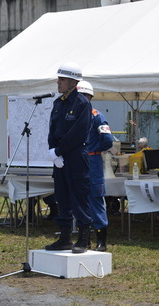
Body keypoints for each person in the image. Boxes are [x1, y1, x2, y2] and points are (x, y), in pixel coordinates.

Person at [45, 62, 93, 254]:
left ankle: (84, 239)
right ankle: (64, 238)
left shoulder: (82, 103)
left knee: (79, 196)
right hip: (60, 156)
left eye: (62, 79)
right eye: (58, 79)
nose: (58, 82)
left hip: (75, 155)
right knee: (62, 197)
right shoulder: (58, 103)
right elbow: (52, 131)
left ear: (73, 82)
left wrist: (59, 151)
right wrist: (53, 151)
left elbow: (78, 133)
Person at [77, 80, 113, 251]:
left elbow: (107, 140)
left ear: (88, 97)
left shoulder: (96, 116)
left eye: (82, 96)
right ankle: (83, 237)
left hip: (92, 161)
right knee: (79, 200)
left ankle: (101, 241)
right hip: (77, 162)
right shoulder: (73, 115)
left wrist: (95, 150)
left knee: (95, 199)